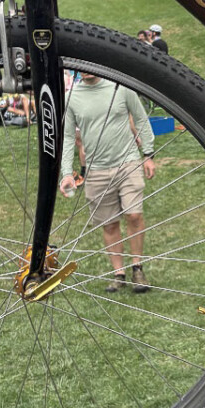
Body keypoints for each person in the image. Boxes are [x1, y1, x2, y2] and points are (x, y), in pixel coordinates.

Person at [59, 74, 156, 292]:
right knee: (110, 223)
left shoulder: (121, 87)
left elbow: (140, 118)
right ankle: (118, 273)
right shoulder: (71, 97)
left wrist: (148, 153)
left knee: (134, 214)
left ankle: (137, 267)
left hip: (127, 161)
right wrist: (67, 173)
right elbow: (66, 137)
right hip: (96, 170)